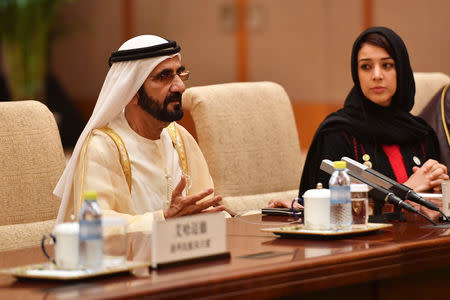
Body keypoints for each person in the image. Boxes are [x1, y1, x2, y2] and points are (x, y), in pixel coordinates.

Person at [268, 27, 448, 217]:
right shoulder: (337, 133)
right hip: (362, 244)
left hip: (424, 240)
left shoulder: (422, 133)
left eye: (387, 65)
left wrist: (438, 191)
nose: (376, 75)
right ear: (356, 73)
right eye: (366, 67)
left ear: (401, 70)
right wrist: (408, 190)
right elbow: (326, 213)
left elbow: (435, 212)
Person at [54, 35, 224, 231]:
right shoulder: (102, 148)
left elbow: (208, 208)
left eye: (180, 74)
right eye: (164, 76)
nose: (180, 86)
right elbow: (94, 226)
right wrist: (163, 219)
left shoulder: (180, 138)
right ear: (132, 91)